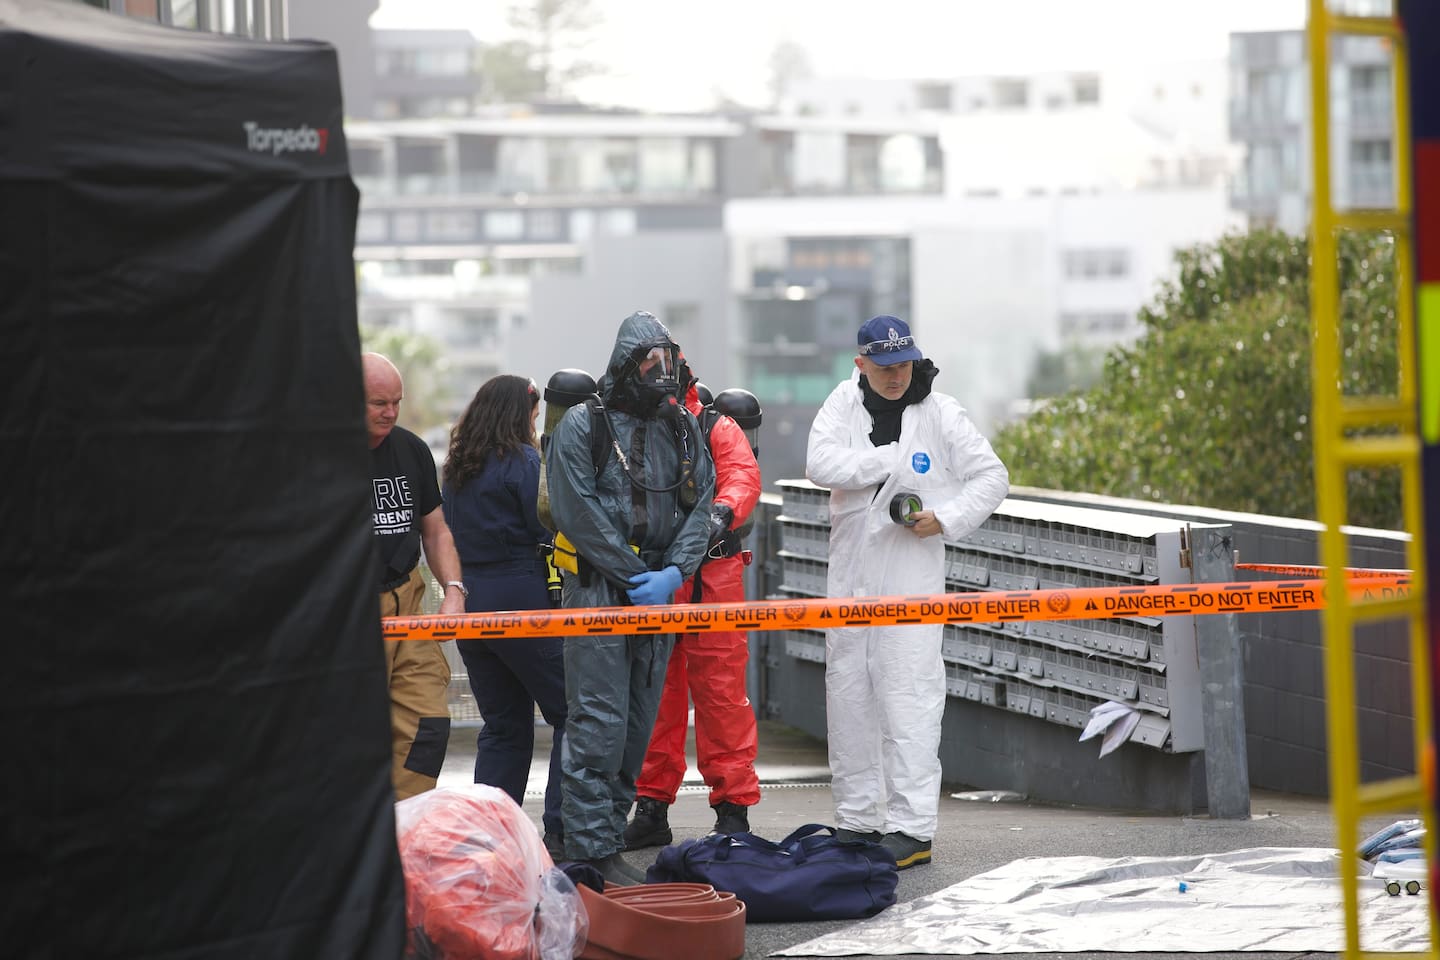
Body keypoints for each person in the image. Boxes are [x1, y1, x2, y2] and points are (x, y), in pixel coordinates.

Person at [804, 316, 1009, 870]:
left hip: (910, 589)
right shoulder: (841, 405)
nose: (897, 377)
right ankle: (858, 821)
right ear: (861, 363)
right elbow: (819, 463)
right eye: (886, 366)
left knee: (909, 704)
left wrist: (946, 517)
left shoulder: (941, 414)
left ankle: (912, 827)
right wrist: (888, 461)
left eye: (904, 365)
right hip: (849, 588)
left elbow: (992, 477)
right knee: (849, 702)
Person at [546, 310, 717, 886]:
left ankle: (608, 840)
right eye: (651, 363)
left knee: (639, 725)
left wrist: (673, 573)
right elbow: (578, 512)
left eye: (667, 362)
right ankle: (588, 853)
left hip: (658, 596)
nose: (662, 373)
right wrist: (630, 574)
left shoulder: (681, 427)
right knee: (598, 722)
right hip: (598, 592)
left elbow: (703, 503)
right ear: (626, 365)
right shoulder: (582, 426)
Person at [624, 363, 763, 847]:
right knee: (654, 693)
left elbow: (743, 477)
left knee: (721, 694)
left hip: (712, 574)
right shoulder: (631, 426)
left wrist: (719, 515)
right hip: (659, 578)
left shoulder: (714, 427)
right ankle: (652, 805)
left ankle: (732, 809)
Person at [441, 374, 567, 858]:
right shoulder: (524, 461)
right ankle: (561, 829)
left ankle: (492, 835)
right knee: (570, 713)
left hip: (472, 599)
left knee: (503, 725)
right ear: (523, 414)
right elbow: (547, 523)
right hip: (521, 593)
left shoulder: (458, 467)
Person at [365, 351, 466, 801]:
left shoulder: (410, 449)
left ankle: (406, 828)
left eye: (397, 402)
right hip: (348, 611)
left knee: (428, 724)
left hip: (408, 600)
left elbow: (436, 529)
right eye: (378, 403)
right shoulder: (311, 457)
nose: (390, 412)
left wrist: (455, 593)